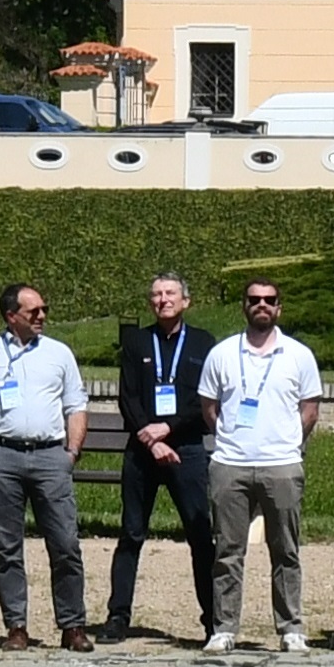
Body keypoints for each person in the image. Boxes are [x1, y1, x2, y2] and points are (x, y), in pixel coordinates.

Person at [0, 284, 92, 651]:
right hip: (1, 457)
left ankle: (73, 625)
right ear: (11, 316)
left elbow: (76, 405)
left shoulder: (59, 353)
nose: (42, 316)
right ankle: (16, 626)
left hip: (50, 456)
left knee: (65, 543)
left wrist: (71, 452)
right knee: (6, 546)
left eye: (45, 309)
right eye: (34, 311)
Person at [190, 280, 325, 652]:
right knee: (227, 551)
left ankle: (291, 628)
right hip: (230, 465)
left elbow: (310, 410)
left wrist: (288, 443)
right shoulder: (222, 354)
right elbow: (209, 408)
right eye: (254, 299)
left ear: (279, 307)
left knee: (286, 551)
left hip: (281, 465)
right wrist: (231, 439)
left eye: (269, 300)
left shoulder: (298, 354)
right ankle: (224, 628)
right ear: (244, 305)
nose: (261, 304)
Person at [103, 274, 215, 643]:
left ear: (186, 301)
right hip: (143, 450)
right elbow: (128, 397)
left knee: (200, 535)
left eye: (170, 293)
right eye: (156, 294)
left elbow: (206, 400)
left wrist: (168, 428)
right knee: (131, 533)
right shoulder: (136, 341)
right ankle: (118, 617)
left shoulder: (203, 343)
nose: (163, 299)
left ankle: (214, 620)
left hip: (187, 449)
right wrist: (150, 440)